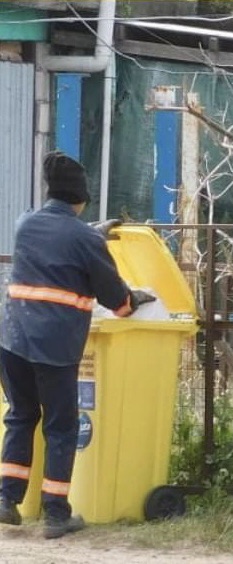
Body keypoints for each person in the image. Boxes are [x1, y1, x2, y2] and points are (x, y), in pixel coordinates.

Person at [0, 151, 154, 539]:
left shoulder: (25, 224)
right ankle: (56, 514)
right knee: (61, 427)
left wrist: (92, 233)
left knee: (20, 416)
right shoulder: (84, 238)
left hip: (12, 339)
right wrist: (136, 298)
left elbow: (57, 242)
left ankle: (6, 500)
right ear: (81, 199)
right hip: (53, 347)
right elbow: (117, 303)